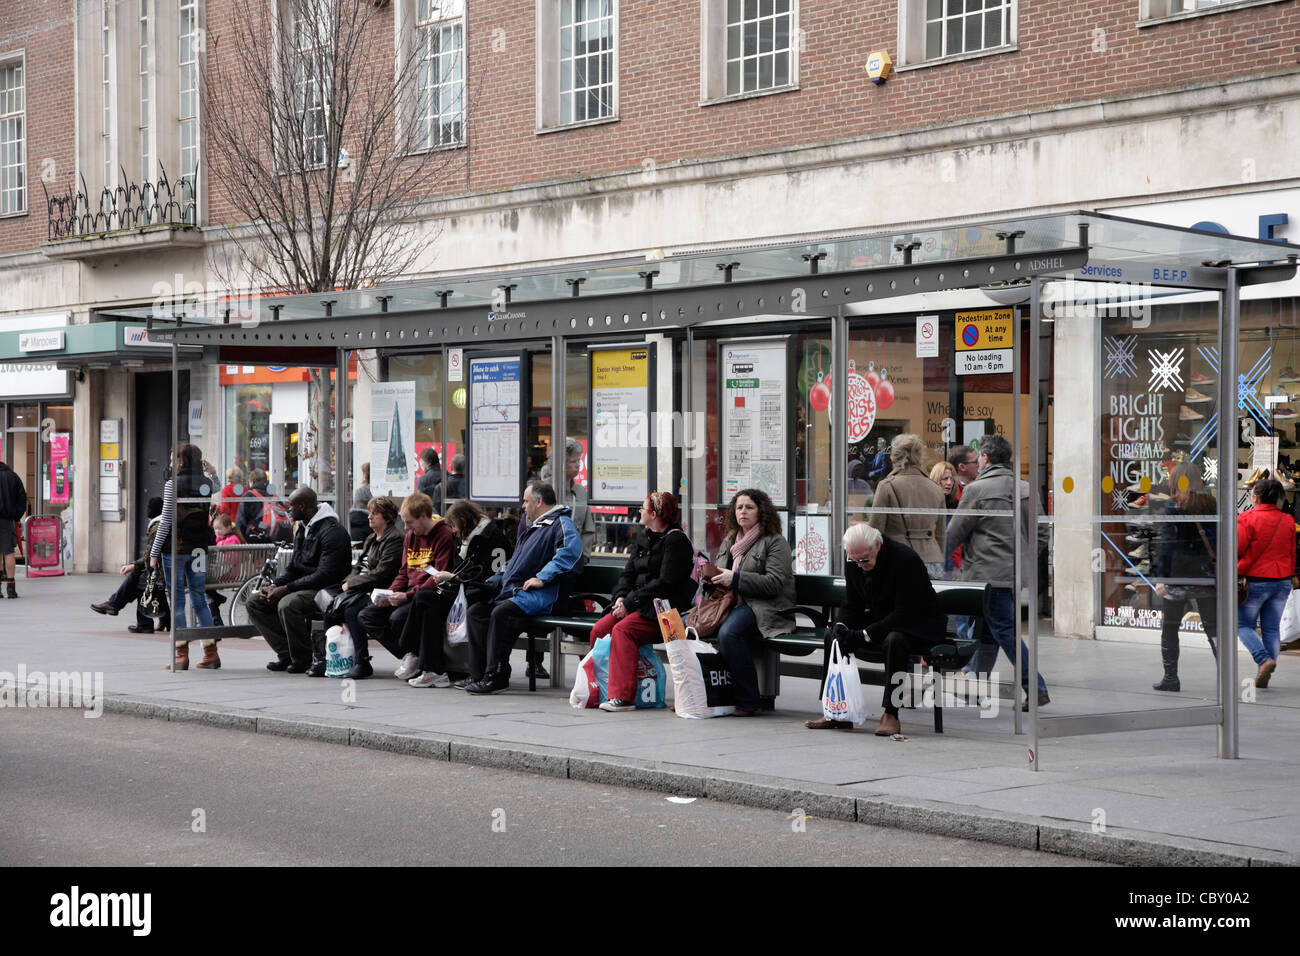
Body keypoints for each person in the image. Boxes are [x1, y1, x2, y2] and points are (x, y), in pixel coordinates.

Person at [805, 524, 947, 736]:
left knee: (895, 640)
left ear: (877, 546)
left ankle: (891, 713)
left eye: (864, 560)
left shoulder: (905, 560)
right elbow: (852, 604)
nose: (860, 565)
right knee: (832, 635)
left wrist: (865, 635)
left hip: (918, 623)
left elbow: (905, 612)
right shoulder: (854, 559)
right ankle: (835, 709)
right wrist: (842, 626)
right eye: (855, 560)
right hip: (882, 617)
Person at [944, 433, 1051, 709]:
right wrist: (1022, 559)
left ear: (987, 458)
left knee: (1004, 632)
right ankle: (974, 686)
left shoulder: (976, 490)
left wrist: (939, 557)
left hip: (984, 575)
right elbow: (1041, 533)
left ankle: (1035, 686)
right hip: (1011, 574)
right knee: (988, 632)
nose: (978, 461)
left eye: (980, 456)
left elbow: (955, 532)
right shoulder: (1025, 488)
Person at [464, 481, 584, 695]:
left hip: (545, 595)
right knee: (477, 612)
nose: (523, 506)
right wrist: (493, 581)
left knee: (502, 614)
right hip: (519, 593)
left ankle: (497, 675)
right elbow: (513, 563)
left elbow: (569, 555)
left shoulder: (562, 524)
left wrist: (542, 578)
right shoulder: (532, 526)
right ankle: (479, 674)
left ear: (539, 501)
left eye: (526, 501)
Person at [588, 491, 695, 712]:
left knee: (623, 631)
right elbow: (627, 574)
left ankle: (623, 697)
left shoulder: (676, 541)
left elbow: (665, 583)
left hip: (665, 611)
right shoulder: (643, 537)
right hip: (637, 604)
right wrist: (619, 598)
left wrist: (629, 603)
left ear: (654, 513)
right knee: (599, 629)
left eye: (643, 508)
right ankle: (601, 689)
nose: (639, 511)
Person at [400, 498, 510, 688]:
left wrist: (453, 577)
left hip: (478, 592)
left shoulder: (490, 537)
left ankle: (412, 650)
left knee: (425, 599)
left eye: (455, 525)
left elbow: (489, 575)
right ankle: (431, 668)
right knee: (426, 604)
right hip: (463, 588)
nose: (454, 530)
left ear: (463, 521)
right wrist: (452, 577)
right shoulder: (465, 537)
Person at [706, 488, 795, 717]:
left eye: (749, 507)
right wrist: (709, 576)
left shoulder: (775, 542)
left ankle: (747, 700)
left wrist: (735, 578)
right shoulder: (730, 540)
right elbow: (721, 575)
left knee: (728, 633)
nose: (742, 512)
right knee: (688, 626)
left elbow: (774, 583)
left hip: (764, 607)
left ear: (761, 512)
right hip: (730, 602)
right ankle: (706, 694)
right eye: (738, 507)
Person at [246, 486, 351, 673]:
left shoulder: (332, 532)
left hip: (327, 589)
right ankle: (286, 654)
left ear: (303, 506)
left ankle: (302, 658)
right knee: (255, 601)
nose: (288, 510)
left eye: (291, 506)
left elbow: (324, 575)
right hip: (305, 585)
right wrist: (275, 585)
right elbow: (294, 566)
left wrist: (286, 589)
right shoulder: (303, 529)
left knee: (287, 604)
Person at [352, 492, 455, 679]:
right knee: (367, 615)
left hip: (425, 594)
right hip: (409, 592)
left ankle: (415, 656)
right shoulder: (410, 536)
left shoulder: (443, 535)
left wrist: (405, 596)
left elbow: (437, 578)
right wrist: (390, 593)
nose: (406, 527)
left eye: (409, 522)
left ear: (424, 516)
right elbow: (403, 572)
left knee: (397, 618)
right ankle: (410, 653)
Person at [315, 495, 404, 677]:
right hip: (360, 587)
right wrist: (347, 583)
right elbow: (358, 566)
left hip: (378, 589)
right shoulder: (371, 538)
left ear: (386, 516)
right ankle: (330, 658)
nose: (369, 517)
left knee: (351, 611)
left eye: (375, 514)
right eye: (370, 513)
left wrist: (352, 584)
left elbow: (382, 573)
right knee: (330, 607)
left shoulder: (395, 538)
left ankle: (362, 661)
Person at [149, 444, 218, 671]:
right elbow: (216, 485)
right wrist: (212, 472)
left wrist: (153, 551)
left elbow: (166, 520)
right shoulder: (207, 483)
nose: (170, 464)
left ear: (181, 462)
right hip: (199, 549)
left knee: (177, 600)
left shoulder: (172, 485)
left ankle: (181, 654)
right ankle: (210, 653)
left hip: (176, 549)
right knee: (199, 598)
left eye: (172, 460)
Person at [1151, 463, 1218, 692]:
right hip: (1205, 575)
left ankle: (1171, 678)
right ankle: (1225, 675)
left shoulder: (1175, 507)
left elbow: (1167, 545)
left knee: (1170, 627)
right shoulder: (1211, 504)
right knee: (1213, 628)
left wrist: (1161, 578)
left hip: (1178, 576)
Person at [1237, 476, 1295, 689]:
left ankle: (1263, 660)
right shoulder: (1287, 520)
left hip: (1255, 579)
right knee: (1271, 629)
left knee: (1242, 625)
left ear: (1256, 497)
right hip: (1281, 580)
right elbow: (1291, 553)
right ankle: (1265, 673)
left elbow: (1238, 549)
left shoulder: (1246, 518)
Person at [869, 433, 946, 578]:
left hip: (897, 559)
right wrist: (939, 557)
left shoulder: (887, 486)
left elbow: (875, 531)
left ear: (893, 458)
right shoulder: (935, 488)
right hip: (932, 560)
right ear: (920, 456)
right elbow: (941, 533)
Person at [91, 495, 170, 634]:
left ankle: (126, 612)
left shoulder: (158, 527)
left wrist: (133, 565)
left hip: (166, 570)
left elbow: (150, 556)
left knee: (141, 581)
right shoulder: (163, 523)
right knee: (139, 577)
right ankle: (115, 605)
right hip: (167, 568)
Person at [0, 457, 27, 599]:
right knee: (8, 552)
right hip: (7, 520)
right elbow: (22, 498)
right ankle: (11, 588)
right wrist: (16, 515)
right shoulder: (12, 476)